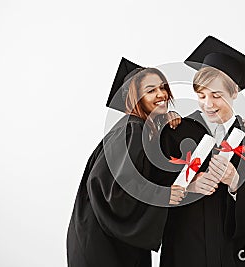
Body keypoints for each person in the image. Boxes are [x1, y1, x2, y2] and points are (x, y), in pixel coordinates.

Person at [155, 36, 245, 267]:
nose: (208, 104)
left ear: (234, 93)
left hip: (234, 253)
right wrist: (189, 186)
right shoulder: (176, 131)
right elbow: (156, 189)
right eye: (201, 95)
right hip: (186, 249)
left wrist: (236, 182)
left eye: (217, 96)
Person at [66, 57, 184, 267]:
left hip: (111, 238)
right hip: (102, 243)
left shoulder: (144, 130)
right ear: (135, 99)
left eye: (163, 87)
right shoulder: (132, 130)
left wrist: (164, 124)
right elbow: (114, 190)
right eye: (150, 90)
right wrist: (163, 194)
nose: (161, 94)